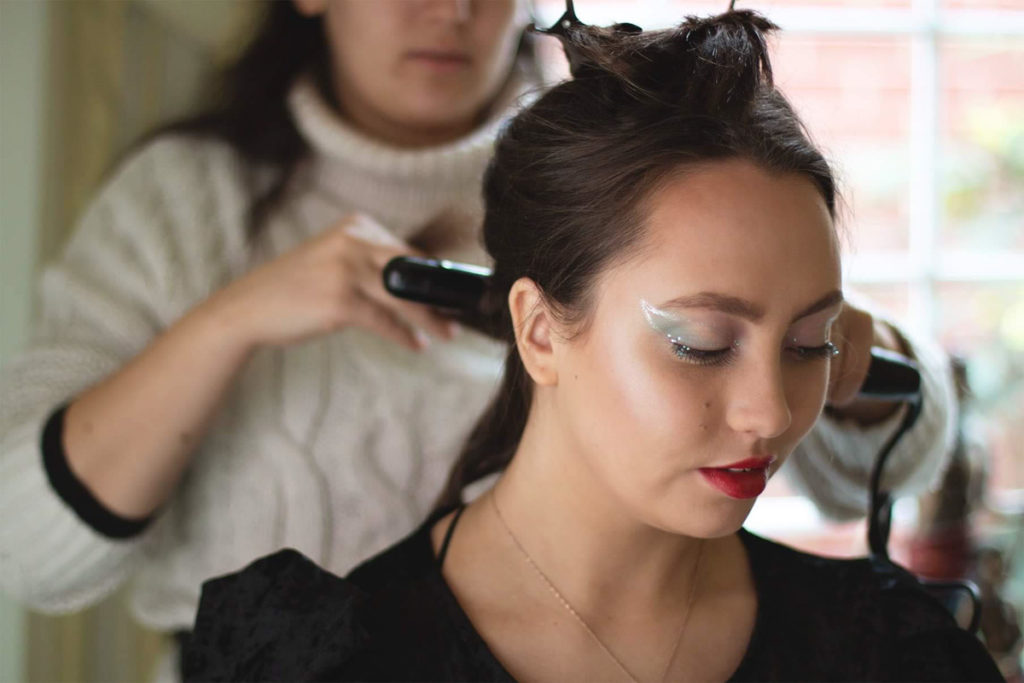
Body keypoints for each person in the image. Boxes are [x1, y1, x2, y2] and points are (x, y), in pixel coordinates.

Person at [0, 0, 956, 678]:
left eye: (804, 343)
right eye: (701, 341)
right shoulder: (183, 205)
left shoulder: (640, 170)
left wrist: (828, 342)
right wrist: (234, 320)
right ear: (536, 328)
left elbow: (881, 445)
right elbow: (27, 549)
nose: (451, 8)